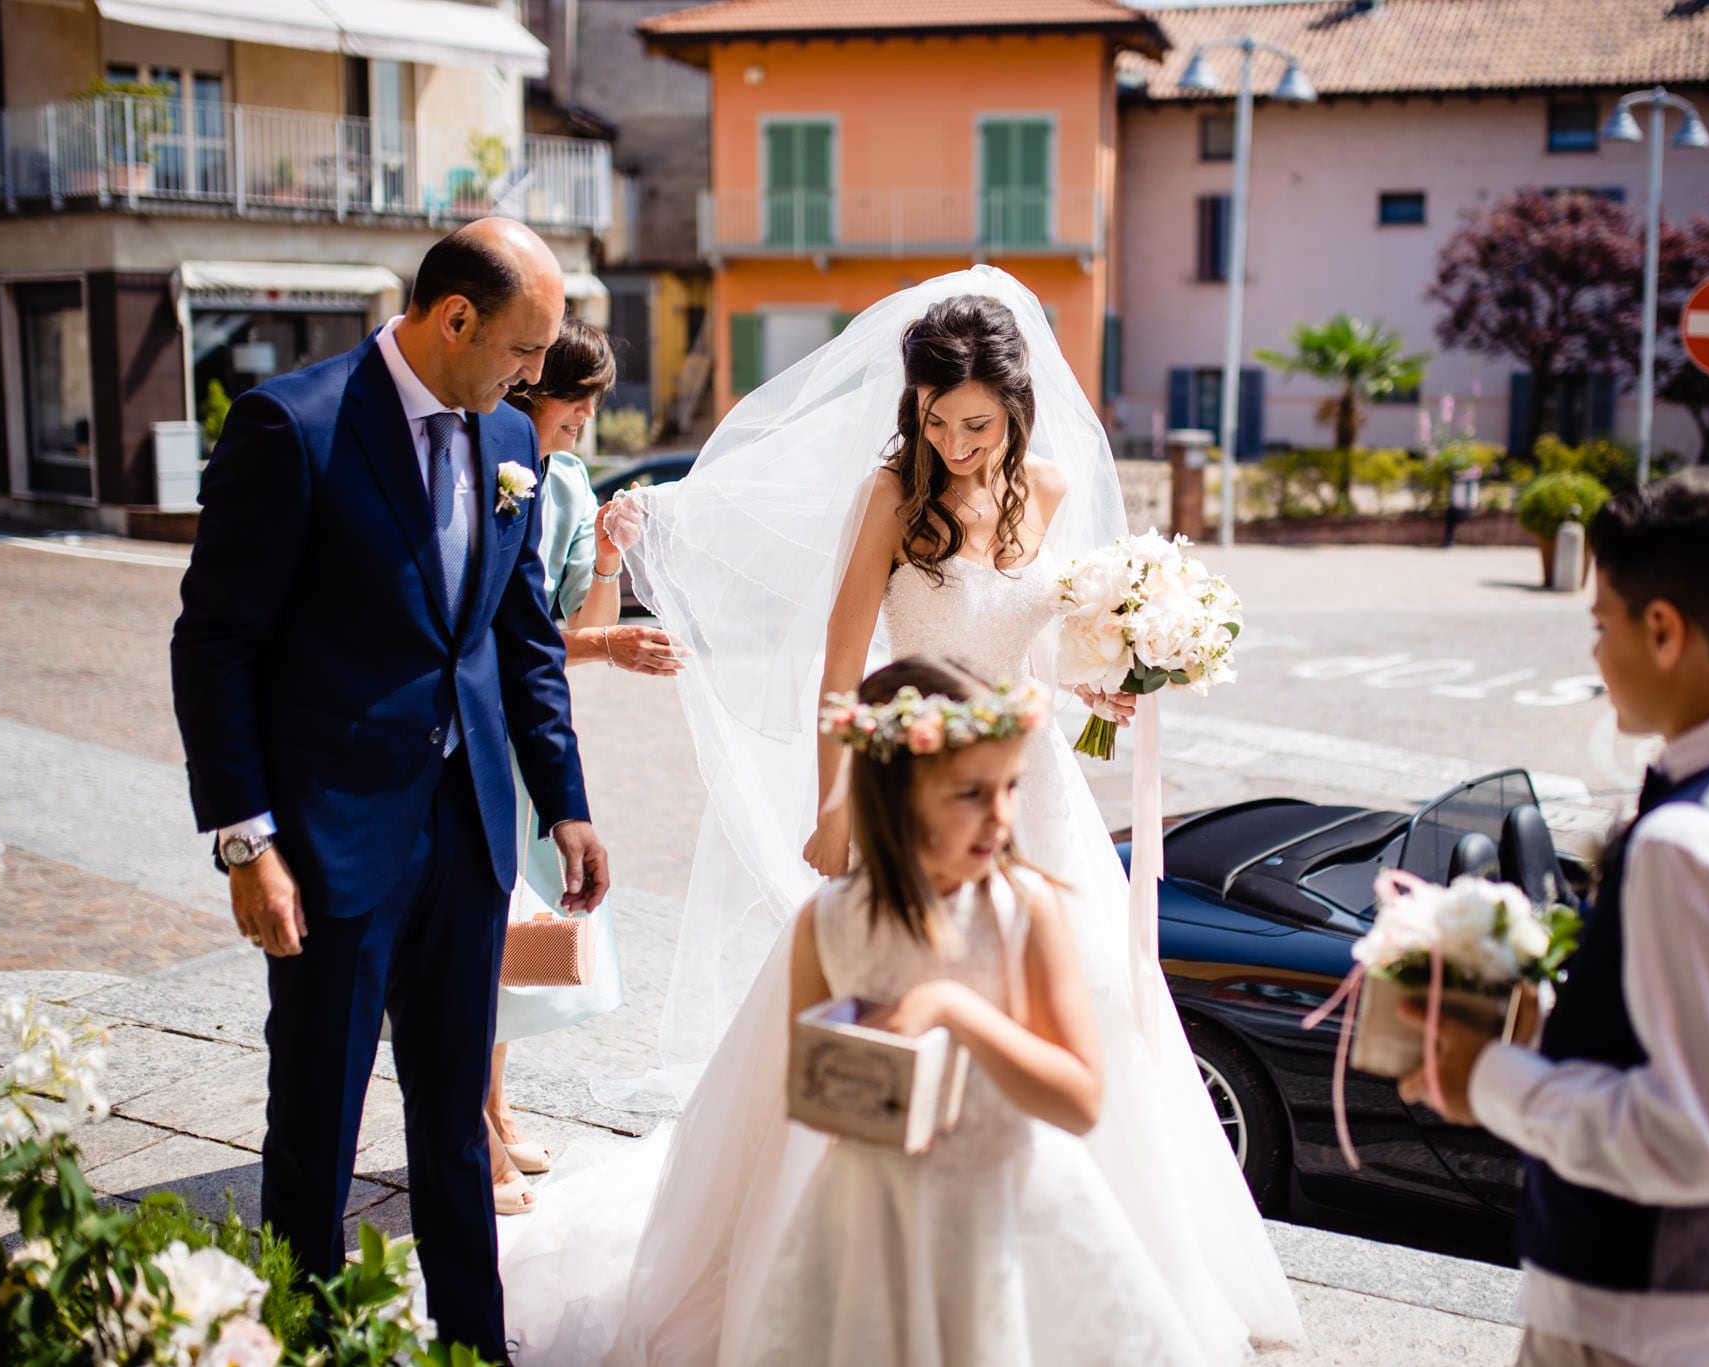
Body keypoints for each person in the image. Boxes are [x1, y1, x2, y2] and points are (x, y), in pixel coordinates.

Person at [496, 268, 1301, 1364]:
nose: (953, 440)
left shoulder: (1052, 491)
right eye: (933, 417)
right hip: (913, 788)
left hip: (1033, 798)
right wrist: (837, 802)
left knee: (1093, 1009)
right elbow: (840, 666)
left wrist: (1103, 674)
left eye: (973, 421)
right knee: (877, 1009)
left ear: (1014, 410)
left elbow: (1039, 640)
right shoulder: (890, 495)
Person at [170, 218, 611, 1363]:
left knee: (455, 1122)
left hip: (465, 839)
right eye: (522, 347)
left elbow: (520, 643)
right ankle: (303, 1344)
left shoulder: (509, 434)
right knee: (314, 1120)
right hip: (328, 846)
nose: (534, 376)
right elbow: (213, 644)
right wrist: (244, 841)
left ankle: (475, 1343)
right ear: (452, 315)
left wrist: (564, 798)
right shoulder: (294, 426)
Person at [1405, 465, 1709, 1367]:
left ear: (1664, 629)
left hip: (1643, 1309)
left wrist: (1485, 1075)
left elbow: (1703, 1142)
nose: (1595, 655)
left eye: (1602, 625)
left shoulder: (1690, 842)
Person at [743, 656, 1223, 1366]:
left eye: (1009, 788)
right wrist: (870, 1069)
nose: (1001, 816)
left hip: (1003, 1205)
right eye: (971, 792)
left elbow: (1081, 1099)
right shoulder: (828, 921)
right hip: (874, 1214)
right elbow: (810, 1092)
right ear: (895, 793)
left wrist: (957, 1011)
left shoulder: (1021, 910)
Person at [486, 319, 684, 1215]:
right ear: (528, 386)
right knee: (481, 924)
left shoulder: (562, 479)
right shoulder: (479, 460)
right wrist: (608, 640)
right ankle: (471, 1123)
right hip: (472, 726)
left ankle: (492, 1100)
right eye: (578, 401)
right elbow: (510, 632)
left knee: (516, 923)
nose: (587, 421)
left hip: (533, 735)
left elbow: (572, 627)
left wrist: (606, 555)